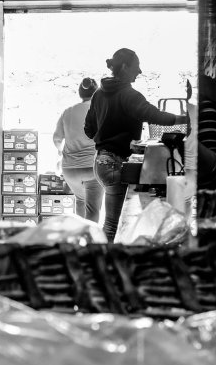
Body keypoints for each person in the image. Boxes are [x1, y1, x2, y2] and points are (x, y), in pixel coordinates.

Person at [84, 48, 187, 242]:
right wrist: (184, 119)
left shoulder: (98, 94)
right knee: (111, 224)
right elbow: (153, 115)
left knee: (111, 222)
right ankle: (102, 258)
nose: (139, 71)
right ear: (125, 67)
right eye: (136, 66)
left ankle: (103, 255)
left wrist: (106, 132)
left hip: (100, 162)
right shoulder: (128, 94)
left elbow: (89, 130)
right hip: (113, 162)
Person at [53, 78, 102, 223]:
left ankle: (79, 234)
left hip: (70, 170)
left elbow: (57, 139)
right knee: (93, 209)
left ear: (80, 93)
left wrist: (62, 151)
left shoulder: (67, 112)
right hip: (91, 168)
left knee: (80, 201)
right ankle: (90, 236)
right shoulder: (100, 111)